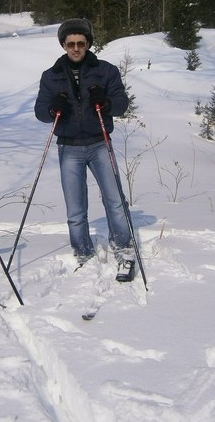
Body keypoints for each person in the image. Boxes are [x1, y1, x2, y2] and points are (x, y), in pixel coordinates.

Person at [34, 19, 136, 282]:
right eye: (71, 44)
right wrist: (52, 108)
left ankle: (123, 246)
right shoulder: (51, 75)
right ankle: (82, 251)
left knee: (114, 200)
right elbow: (40, 112)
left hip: (100, 142)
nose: (76, 48)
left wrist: (107, 101)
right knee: (75, 209)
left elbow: (122, 104)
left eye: (81, 43)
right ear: (64, 45)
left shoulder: (105, 71)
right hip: (69, 147)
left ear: (88, 44)